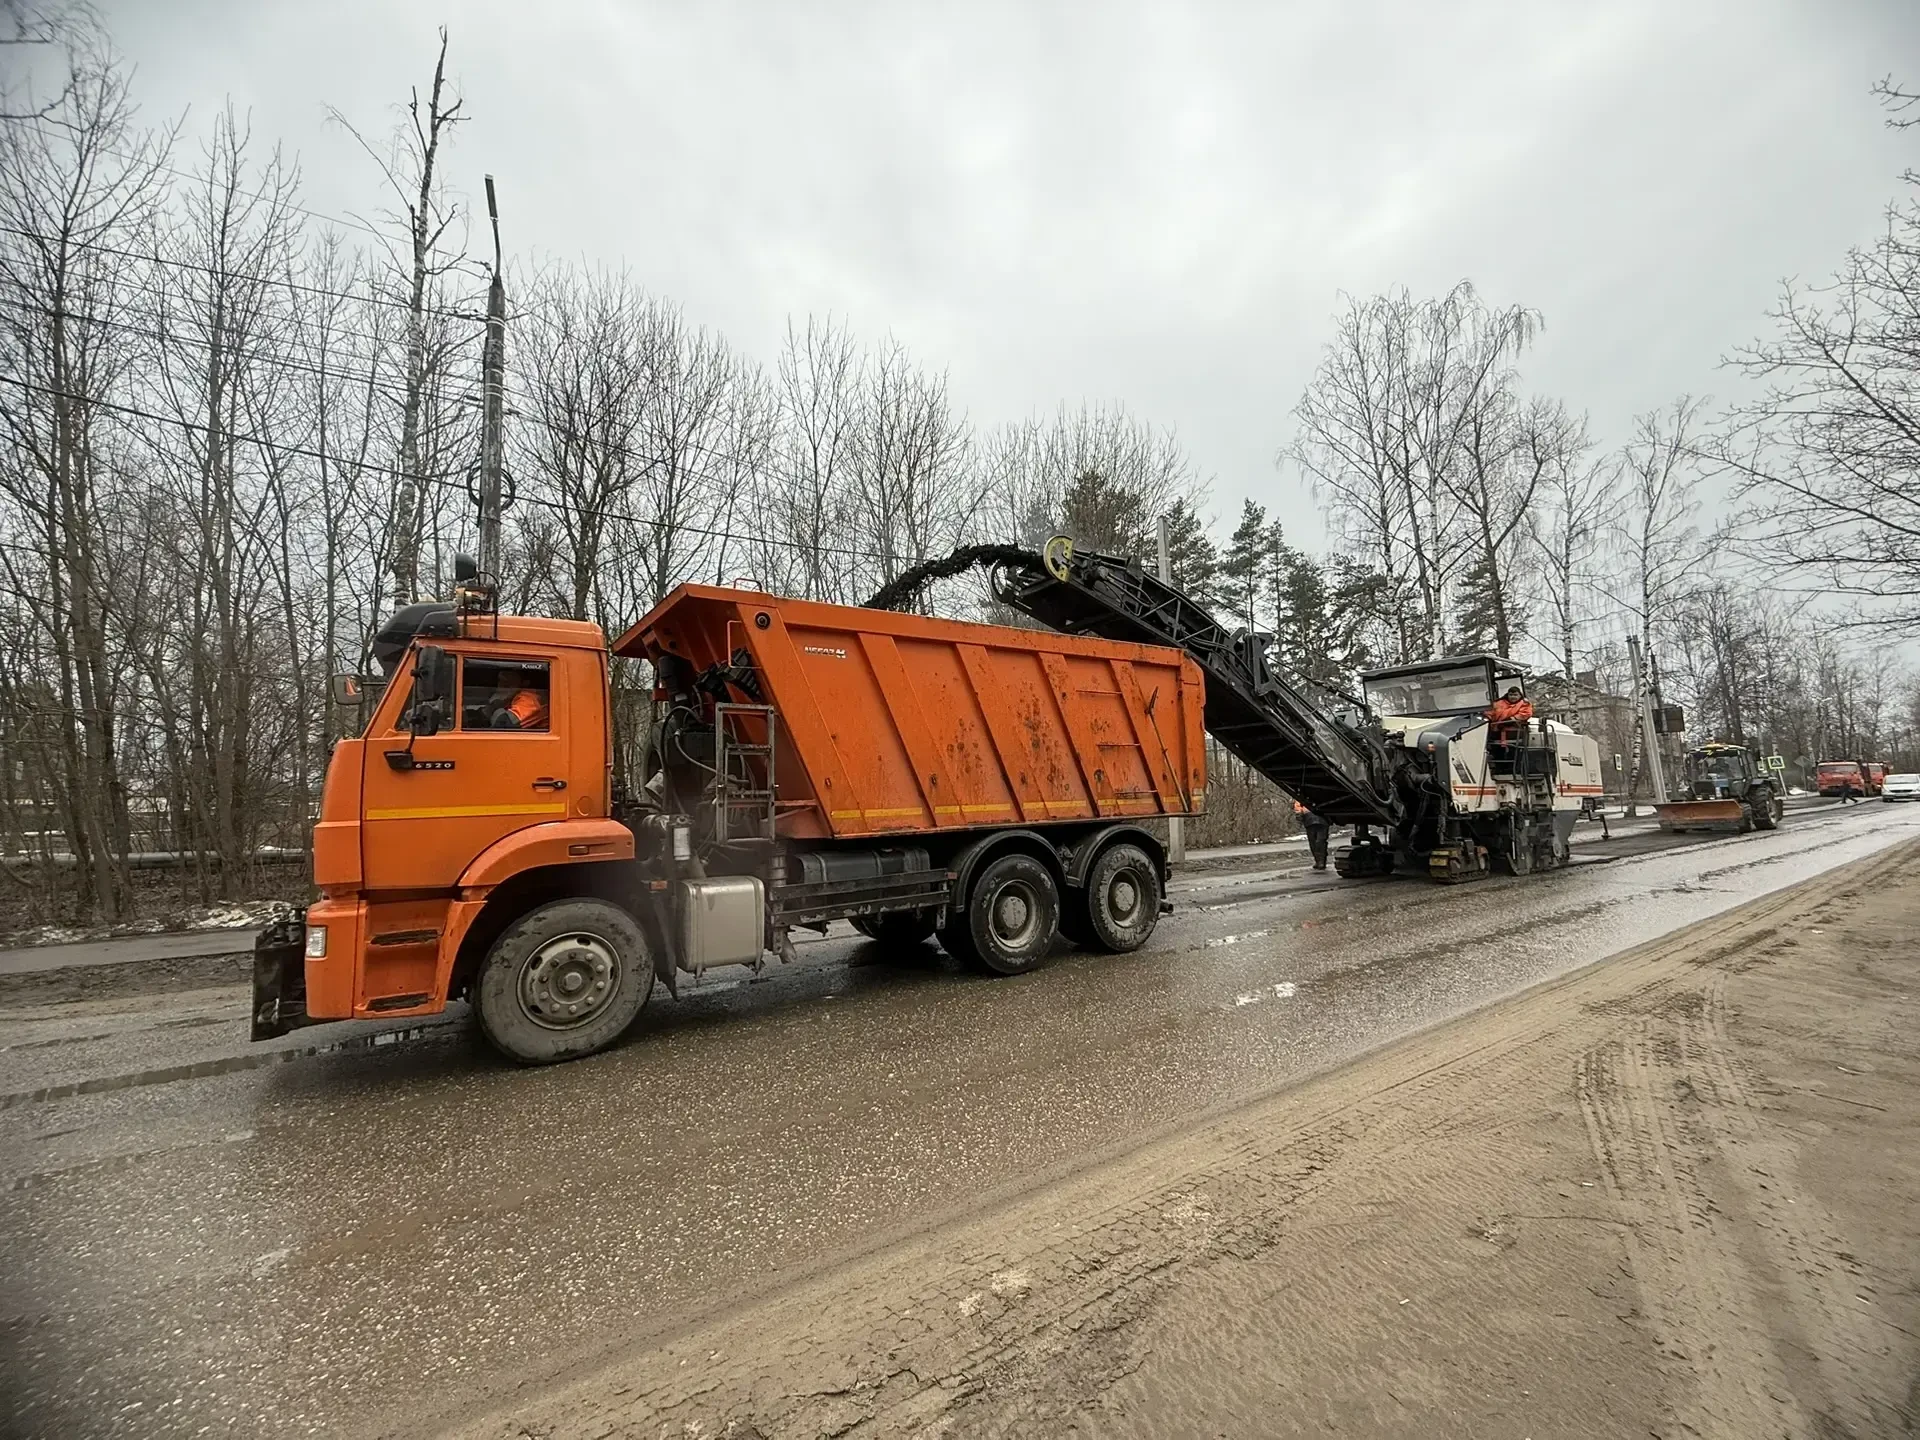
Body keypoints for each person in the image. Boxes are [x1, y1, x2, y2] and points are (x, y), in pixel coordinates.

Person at [1295, 799, 1331, 871]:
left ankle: (1320, 861)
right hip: (1312, 818)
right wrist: (1299, 813)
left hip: (1319, 818)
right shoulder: (1302, 795)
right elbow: (1298, 804)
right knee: (1315, 842)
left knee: (1319, 841)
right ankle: (1319, 861)